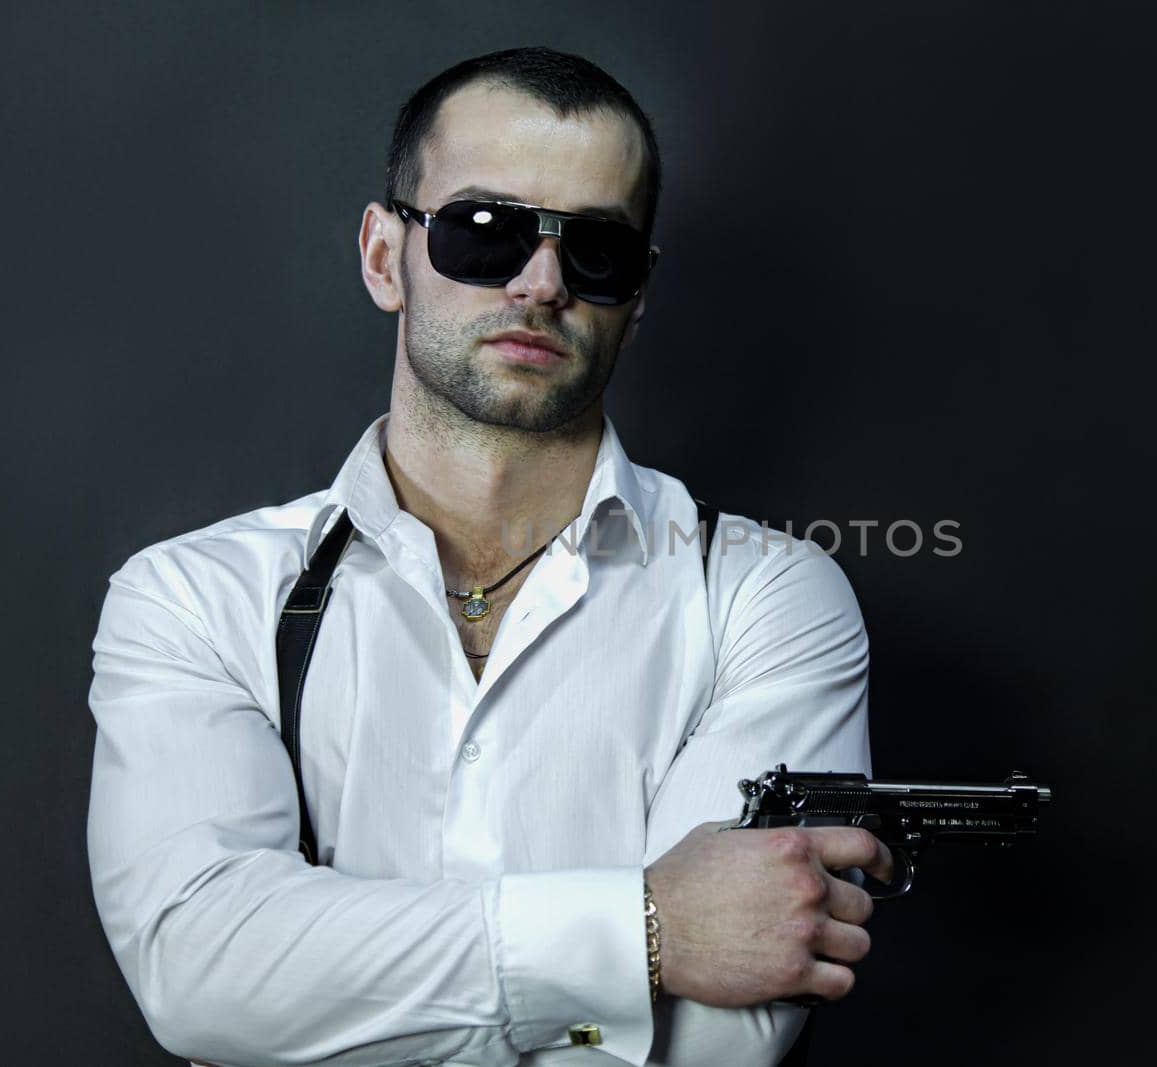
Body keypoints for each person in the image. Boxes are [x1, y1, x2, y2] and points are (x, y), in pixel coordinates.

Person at [86, 46, 891, 1067]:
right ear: (385, 257)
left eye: (595, 250)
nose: (541, 280)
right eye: (483, 231)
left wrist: (318, 989)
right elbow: (200, 972)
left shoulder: (764, 599)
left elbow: (722, 1034)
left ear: (635, 298)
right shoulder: (197, 595)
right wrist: (646, 926)